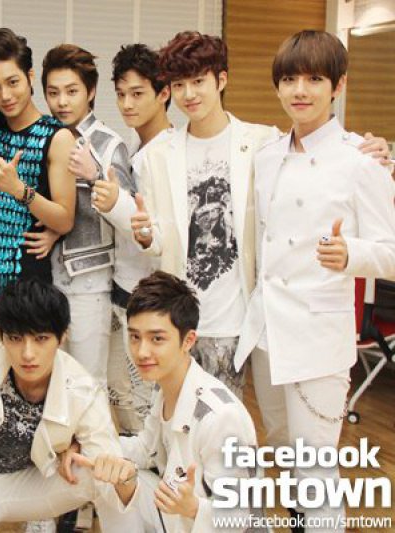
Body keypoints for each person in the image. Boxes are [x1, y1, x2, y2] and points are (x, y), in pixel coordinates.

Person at [132, 31, 391, 398]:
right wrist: (144, 234)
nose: (189, 94)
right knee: (174, 417)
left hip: (239, 316)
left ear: (221, 80)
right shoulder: (157, 156)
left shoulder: (262, 143)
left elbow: (319, 152)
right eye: (179, 85)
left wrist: (377, 154)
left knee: (226, 419)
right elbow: (158, 238)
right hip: (179, 314)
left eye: (199, 81)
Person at [234, 30, 395, 529]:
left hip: (318, 338)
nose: (299, 90)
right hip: (268, 331)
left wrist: (351, 254)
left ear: (338, 86)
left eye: (314, 79)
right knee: (283, 453)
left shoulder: (361, 160)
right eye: (289, 79)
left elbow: (391, 252)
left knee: (317, 469)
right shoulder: (266, 155)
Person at [0, 279, 137, 532]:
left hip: (21, 486)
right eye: (15, 338)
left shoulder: (82, 389)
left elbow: (107, 459)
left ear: (62, 337)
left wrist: (123, 476)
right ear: (1, 335)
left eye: (41, 338)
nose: (28, 354)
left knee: (96, 472)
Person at [61, 271, 261, 532]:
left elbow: (242, 515)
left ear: (188, 340)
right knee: (106, 475)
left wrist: (193, 508)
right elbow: (145, 449)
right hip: (174, 515)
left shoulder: (221, 417)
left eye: (157, 338)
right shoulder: (165, 386)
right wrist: (88, 444)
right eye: (135, 337)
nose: (142, 352)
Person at [38, 43, 134, 389]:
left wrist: (94, 176)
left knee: (88, 383)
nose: (61, 102)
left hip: (90, 282)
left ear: (91, 91)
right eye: (53, 93)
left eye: (71, 91)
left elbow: (129, 219)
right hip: (47, 278)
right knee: (51, 381)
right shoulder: (44, 138)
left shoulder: (110, 144)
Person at [0, 28, 76, 320]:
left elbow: (65, 219)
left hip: (26, 292)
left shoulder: (57, 137)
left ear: (30, 77)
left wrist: (19, 190)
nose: (5, 95)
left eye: (13, 82)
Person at [106, 43, 172, 434]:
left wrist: (114, 201)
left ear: (163, 93)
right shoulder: (133, 145)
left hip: (151, 294)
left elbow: (161, 232)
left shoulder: (169, 152)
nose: (127, 104)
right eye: (121, 94)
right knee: (122, 395)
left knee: (145, 403)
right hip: (123, 287)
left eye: (137, 93)